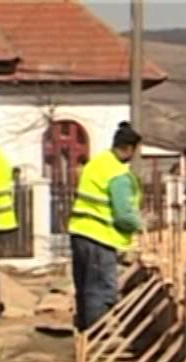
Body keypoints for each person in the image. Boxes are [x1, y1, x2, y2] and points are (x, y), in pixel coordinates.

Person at [68, 121, 146, 332]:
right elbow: (123, 215)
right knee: (100, 290)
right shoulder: (117, 175)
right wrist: (140, 224)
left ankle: (85, 332)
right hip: (99, 238)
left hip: (79, 233)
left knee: (84, 288)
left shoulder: (96, 163)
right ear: (130, 149)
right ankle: (97, 336)